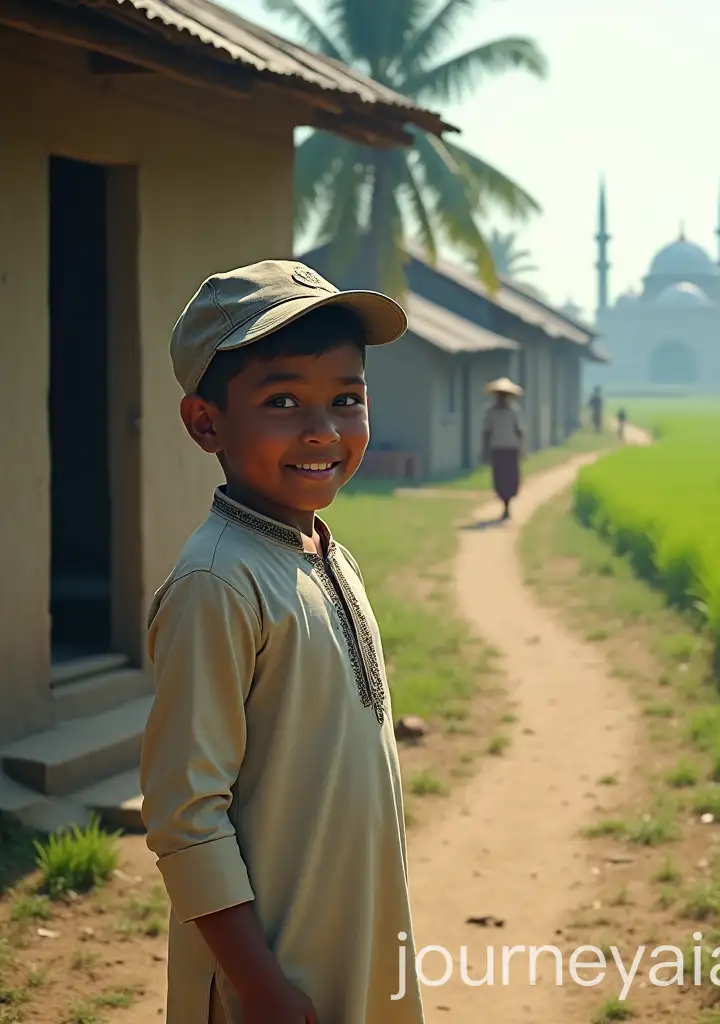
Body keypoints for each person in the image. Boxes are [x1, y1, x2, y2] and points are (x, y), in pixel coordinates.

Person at [139, 260, 425, 1024]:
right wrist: (259, 986)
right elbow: (185, 815)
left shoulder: (325, 554)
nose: (322, 430)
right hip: (268, 976)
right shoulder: (218, 583)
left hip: (354, 943)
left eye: (346, 399)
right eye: (283, 400)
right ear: (206, 423)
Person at [481, 376, 525, 520]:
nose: (502, 398)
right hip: (497, 448)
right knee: (499, 479)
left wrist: (522, 449)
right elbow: (486, 433)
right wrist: (485, 451)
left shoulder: (514, 412)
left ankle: (507, 505)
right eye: (500, 395)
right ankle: (504, 504)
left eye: (505, 395)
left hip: (511, 449)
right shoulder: (490, 412)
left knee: (511, 479)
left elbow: (519, 431)